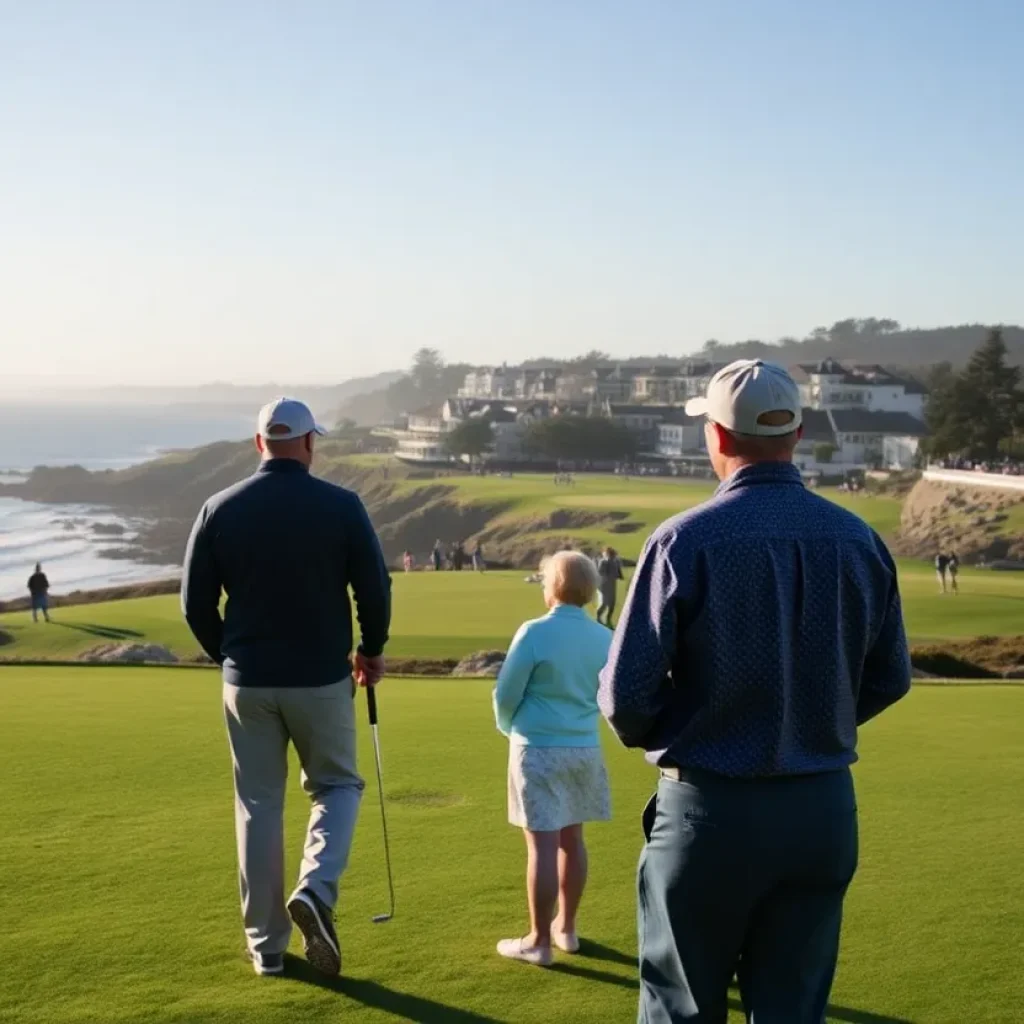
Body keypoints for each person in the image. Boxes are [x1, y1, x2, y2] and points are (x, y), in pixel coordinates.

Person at [599, 360, 912, 1023]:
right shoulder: (859, 539)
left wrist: (683, 732)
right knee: (792, 1012)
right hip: (822, 809)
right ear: (796, 435)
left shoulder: (684, 540)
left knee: (681, 1009)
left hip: (710, 810)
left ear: (716, 436)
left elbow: (626, 697)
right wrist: (818, 720)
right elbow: (890, 676)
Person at [181, 397, 391, 979]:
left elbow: (195, 604)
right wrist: (371, 650)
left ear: (258, 444)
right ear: (308, 444)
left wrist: (228, 654)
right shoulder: (342, 505)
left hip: (246, 682)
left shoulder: (218, 507)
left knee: (258, 806)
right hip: (321, 678)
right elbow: (372, 587)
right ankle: (317, 892)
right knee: (338, 785)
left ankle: (267, 949)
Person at [493, 551, 614, 967]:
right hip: (583, 747)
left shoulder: (533, 632)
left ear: (552, 587)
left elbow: (506, 696)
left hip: (538, 747)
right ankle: (567, 929)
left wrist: (509, 728)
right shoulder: (605, 637)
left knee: (541, 846)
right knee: (572, 840)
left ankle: (539, 941)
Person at [595, 546, 624, 627]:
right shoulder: (603, 561)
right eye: (611, 554)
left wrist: (619, 575)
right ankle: (598, 618)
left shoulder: (615, 562)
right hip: (603, 585)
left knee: (612, 604)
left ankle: (608, 619)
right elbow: (600, 572)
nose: (613, 556)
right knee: (604, 603)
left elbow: (618, 573)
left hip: (612, 585)